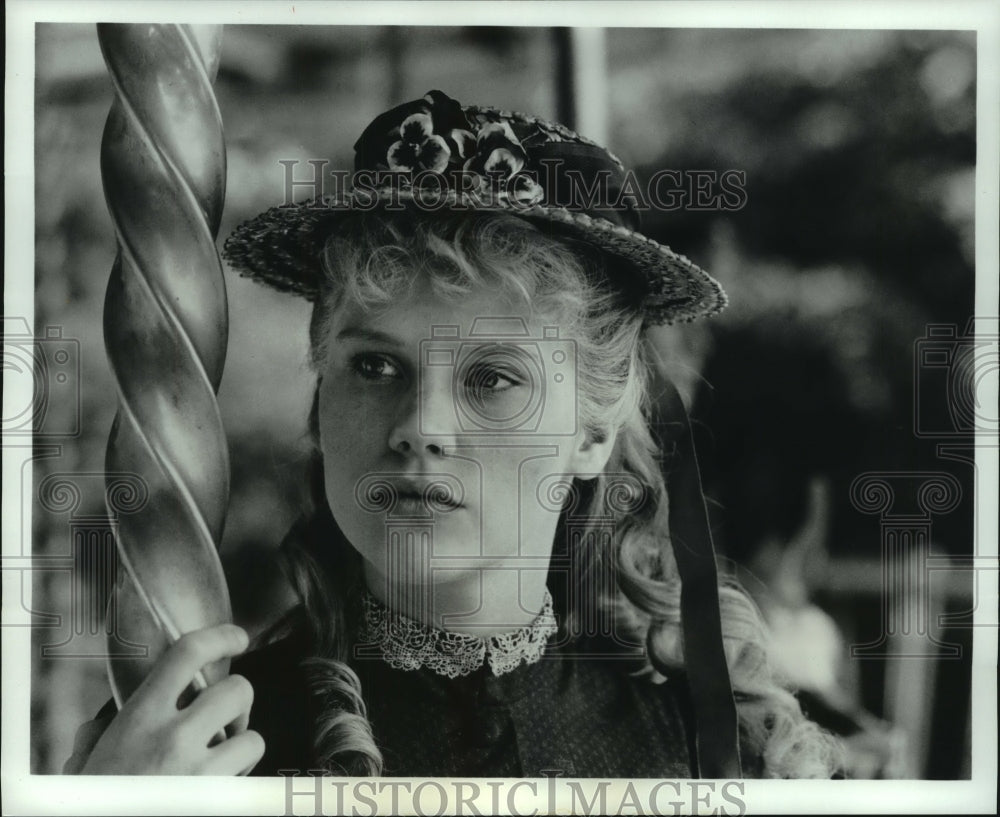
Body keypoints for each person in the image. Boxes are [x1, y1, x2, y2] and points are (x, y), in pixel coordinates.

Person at [66, 90, 843, 778]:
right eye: (374, 366)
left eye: (492, 378)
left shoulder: (723, 751)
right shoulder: (199, 752)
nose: (419, 427)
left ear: (593, 431)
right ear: (318, 403)